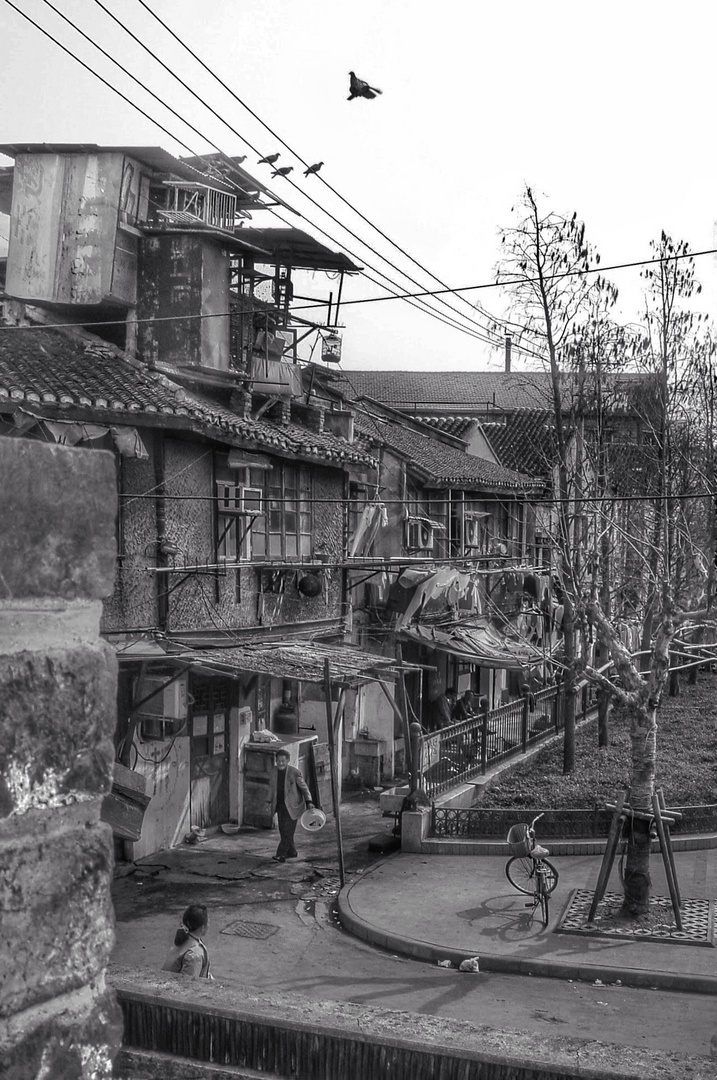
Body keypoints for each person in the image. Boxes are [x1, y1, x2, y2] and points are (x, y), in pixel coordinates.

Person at [271, 748, 314, 863]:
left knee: (288, 831)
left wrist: (309, 801)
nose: (280, 763)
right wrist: (269, 803)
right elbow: (271, 789)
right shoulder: (273, 771)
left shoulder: (294, 773)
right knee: (282, 830)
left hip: (294, 806)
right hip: (280, 806)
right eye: (278, 761)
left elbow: (304, 788)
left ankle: (281, 854)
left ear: (288, 761)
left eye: (283, 761)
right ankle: (292, 852)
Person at [162, 903, 213, 979]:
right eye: (208, 922)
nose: (209, 925)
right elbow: (188, 984)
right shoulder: (195, 954)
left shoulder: (184, 937)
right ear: (202, 928)